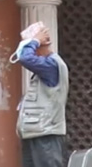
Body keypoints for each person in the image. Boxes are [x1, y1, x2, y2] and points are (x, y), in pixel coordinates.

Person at [16, 24, 69, 167]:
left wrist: (34, 41)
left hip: (46, 134)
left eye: (28, 45)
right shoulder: (45, 67)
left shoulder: (52, 65)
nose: (27, 49)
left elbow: (25, 58)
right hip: (36, 132)